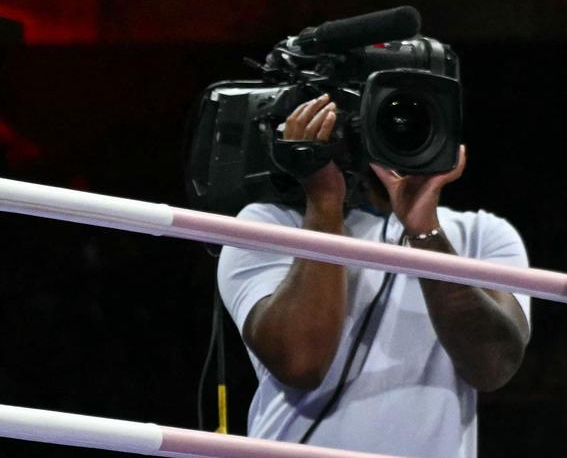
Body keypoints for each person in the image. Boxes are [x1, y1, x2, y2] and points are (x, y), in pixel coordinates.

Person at [217, 94, 531, 457]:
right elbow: (300, 362)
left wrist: (424, 232)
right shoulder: (265, 224)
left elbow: (492, 368)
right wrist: (323, 200)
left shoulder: (483, 234)